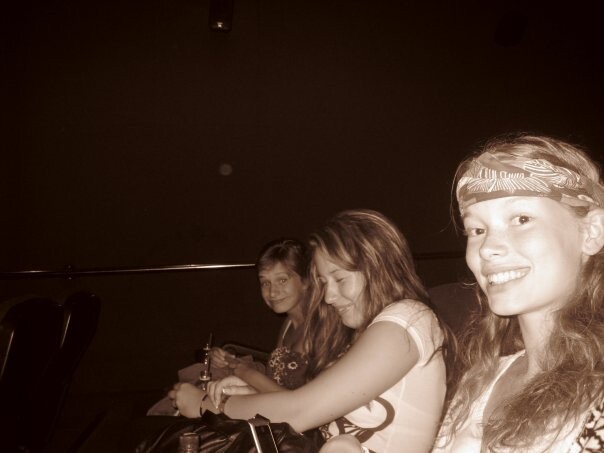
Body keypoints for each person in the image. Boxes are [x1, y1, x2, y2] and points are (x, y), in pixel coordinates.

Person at [170, 209, 453, 453]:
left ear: (377, 267)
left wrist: (208, 405)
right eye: (324, 282)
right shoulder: (371, 330)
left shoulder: (408, 320)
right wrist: (249, 395)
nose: (328, 296)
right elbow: (317, 412)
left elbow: (300, 410)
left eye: (340, 279)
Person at [433, 133, 604, 452]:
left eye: (521, 219)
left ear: (591, 231)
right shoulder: (481, 381)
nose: (487, 248)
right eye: (477, 230)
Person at [210, 237, 310, 392]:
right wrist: (229, 362)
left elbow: (300, 401)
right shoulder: (289, 323)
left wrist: (246, 373)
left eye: (282, 280)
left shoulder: (320, 329)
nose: (272, 292)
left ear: (305, 281)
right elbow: (276, 382)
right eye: (265, 283)